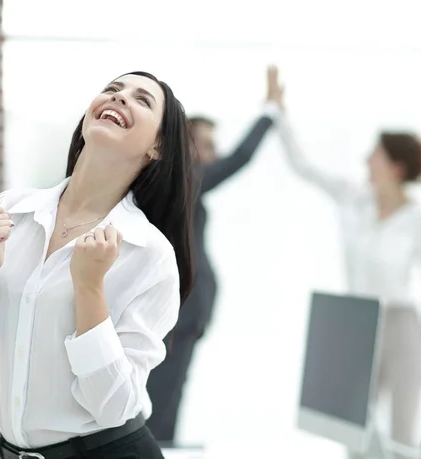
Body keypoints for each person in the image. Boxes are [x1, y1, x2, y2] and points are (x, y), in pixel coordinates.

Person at [0, 71, 195, 459]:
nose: (119, 97)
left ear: (157, 146)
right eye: (112, 89)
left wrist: (89, 289)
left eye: (142, 100)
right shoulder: (11, 212)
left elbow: (113, 407)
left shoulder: (149, 254)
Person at [267, 66, 421, 459]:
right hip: (359, 321)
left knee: (402, 430)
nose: (367, 160)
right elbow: (303, 166)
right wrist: (279, 114)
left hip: (403, 325)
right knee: (353, 426)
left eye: (376, 154)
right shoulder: (353, 199)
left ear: (396, 166)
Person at [146, 69, 279, 443]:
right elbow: (241, 157)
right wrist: (270, 111)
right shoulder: (181, 177)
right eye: (205, 143)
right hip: (177, 314)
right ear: (183, 144)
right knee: (162, 406)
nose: (212, 154)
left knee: (169, 401)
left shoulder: (179, 186)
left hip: (185, 315)